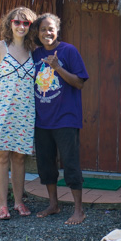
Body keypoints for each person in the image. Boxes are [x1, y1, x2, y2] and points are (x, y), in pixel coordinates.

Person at [0, 6, 38, 220]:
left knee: (20, 157)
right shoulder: (0, 47)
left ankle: (19, 202)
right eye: (17, 22)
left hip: (25, 111)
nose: (21, 26)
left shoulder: (33, 51)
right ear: (10, 23)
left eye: (26, 23)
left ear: (31, 27)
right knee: (1, 156)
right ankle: (3, 206)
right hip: (1, 109)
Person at [31, 13, 89, 225]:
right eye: (43, 29)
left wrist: (57, 67)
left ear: (57, 31)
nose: (47, 33)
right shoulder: (35, 55)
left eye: (51, 29)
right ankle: (53, 205)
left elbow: (79, 83)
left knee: (71, 164)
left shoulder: (69, 51)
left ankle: (78, 210)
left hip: (66, 119)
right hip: (42, 120)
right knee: (46, 166)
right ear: (37, 33)